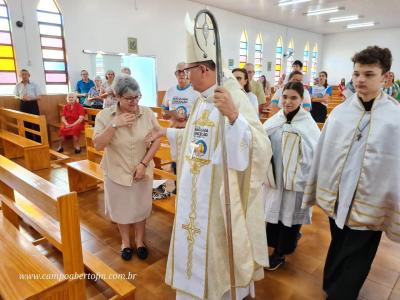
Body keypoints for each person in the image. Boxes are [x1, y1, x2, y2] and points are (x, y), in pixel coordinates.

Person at [146, 15, 272, 300]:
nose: (184, 76)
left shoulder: (232, 95)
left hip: (218, 197)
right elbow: (195, 140)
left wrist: (234, 117)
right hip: (194, 192)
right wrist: (165, 133)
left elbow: (260, 146)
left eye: (187, 70)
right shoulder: (203, 99)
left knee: (218, 255)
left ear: (203, 69)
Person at [302, 46, 400, 300]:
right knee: (339, 243)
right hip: (339, 196)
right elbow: (326, 152)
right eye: (356, 74)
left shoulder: (395, 119)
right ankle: (332, 284)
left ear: (385, 78)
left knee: (359, 252)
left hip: (371, 200)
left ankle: (342, 293)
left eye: (368, 74)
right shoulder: (341, 113)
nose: (360, 80)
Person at [93, 74, 161, 261]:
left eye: (137, 96)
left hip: (142, 170)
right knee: (122, 210)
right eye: (128, 98)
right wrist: (115, 125)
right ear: (117, 96)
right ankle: (126, 242)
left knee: (140, 208)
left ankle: (139, 241)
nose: (134, 101)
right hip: (117, 170)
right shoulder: (105, 116)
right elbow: (98, 144)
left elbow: (157, 141)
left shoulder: (146, 113)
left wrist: (143, 164)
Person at [263, 81, 320, 271]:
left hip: (295, 181)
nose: (287, 101)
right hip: (276, 178)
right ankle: (273, 246)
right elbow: (262, 140)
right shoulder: (276, 119)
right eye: (285, 97)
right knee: (274, 214)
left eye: (293, 98)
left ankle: (281, 253)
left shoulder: (308, 124)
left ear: (301, 99)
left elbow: (315, 151)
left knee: (289, 217)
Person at [161, 62, 199, 128]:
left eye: (184, 71)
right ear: (176, 74)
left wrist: (186, 116)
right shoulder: (170, 91)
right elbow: (163, 112)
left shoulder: (196, 91)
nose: (181, 74)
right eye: (179, 72)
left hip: (189, 130)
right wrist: (167, 115)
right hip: (173, 129)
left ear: (188, 73)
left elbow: (200, 114)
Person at [13, 69, 42, 142]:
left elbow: (39, 97)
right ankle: (29, 141)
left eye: (26, 74)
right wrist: (20, 97)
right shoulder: (18, 85)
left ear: (29, 75)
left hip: (33, 104)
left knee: (36, 123)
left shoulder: (34, 84)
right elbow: (15, 95)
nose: (24, 76)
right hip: (23, 104)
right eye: (22, 74)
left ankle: (39, 141)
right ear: (20, 76)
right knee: (25, 123)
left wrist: (30, 98)